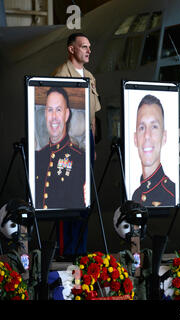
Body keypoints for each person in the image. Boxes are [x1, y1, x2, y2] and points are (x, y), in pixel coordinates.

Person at [35, 87, 86, 257]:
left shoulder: (79, 158)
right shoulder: (38, 157)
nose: (54, 116)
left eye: (59, 109)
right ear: (45, 114)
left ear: (67, 114)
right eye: (50, 110)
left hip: (68, 249)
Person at [52, 32, 101, 161]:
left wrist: (93, 146)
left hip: (87, 136)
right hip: (70, 136)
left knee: (88, 178)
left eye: (89, 47)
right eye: (84, 47)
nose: (89, 51)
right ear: (72, 49)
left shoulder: (89, 77)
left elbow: (93, 117)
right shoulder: (62, 75)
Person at [131, 94, 175, 207]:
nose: (147, 135)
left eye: (154, 127)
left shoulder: (172, 193)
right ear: (135, 139)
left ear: (164, 137)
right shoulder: (136, 195)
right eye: (142, 127)